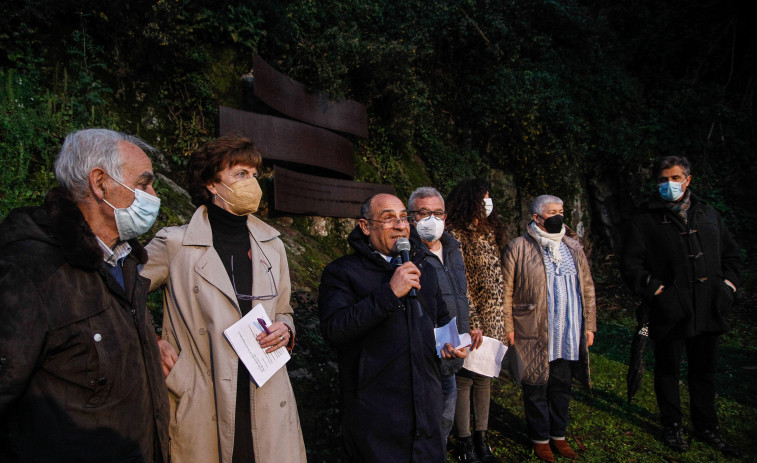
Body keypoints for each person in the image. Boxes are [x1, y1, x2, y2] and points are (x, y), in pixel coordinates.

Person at [0, 129, 169, 462]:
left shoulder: (125, 259)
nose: (154, 196)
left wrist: (145, 341)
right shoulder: (31, 270)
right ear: (100, 183)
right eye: (144, 184)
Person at [140, 135, 306, 463]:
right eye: (240, 174)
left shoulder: (273, 245)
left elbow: (284, 309)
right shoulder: (175, 244)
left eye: (254, 175)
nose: (252, 183)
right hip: (202, 392)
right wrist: (151, 339)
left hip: (265, 389)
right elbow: (119, 290)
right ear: (212, 183)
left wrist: (286, 329)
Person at [318, 193, 466, 462]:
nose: (400, 226)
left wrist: (450, 345)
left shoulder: (424, 269)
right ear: (365, 226)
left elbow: (440, 322)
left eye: (403, 218)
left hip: (426, 410)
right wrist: (389, 292)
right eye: (388, 219)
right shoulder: (342, 272)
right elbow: (335, 330)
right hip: (377, 416)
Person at [620, 156, 741, 456]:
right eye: (662, 179)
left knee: (704, 372)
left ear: (687, 180)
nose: (668, 184)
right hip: (670, 309)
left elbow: (732, 255)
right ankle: (672, 425)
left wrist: (728, 287)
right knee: (668, 370)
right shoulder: (644, 218)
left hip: (710, 306)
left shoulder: (708, 214)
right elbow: (631, 264)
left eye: (674, 178)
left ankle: (706, 426)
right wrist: (658, 291)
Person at [502, 195, 596, 462]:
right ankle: (540, 438)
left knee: (561, 384)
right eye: (552, 212)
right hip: (532, 329)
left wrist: (590, 325)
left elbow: (587, 288)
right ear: (536, 218)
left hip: (567, 331)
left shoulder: (574, 247)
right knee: (535, 386)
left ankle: (559, 435)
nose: (558, 216)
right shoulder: (518, 247)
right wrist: (508, 326)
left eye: (561, 211)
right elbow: (506, 289)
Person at [408, 187, 484, 449]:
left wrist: (469, 327)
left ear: (446, 216)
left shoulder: (454, 248)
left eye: (437, 213)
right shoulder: (406, 254)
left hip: (453, 356)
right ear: (410, 218)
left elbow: (461, 295)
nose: (432, 219)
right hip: (424, 359)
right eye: (424, 213)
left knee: (443, 424)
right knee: (420, 427)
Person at [445, 179, 507, 463]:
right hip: (471, 319)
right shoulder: (455, 234)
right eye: (483, 198)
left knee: (484, 379)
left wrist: (502, 319)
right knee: (464, 379)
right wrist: (472, 319)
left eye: (489, 197)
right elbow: (461, 282)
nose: (487, 202)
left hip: (494, 320)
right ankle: (464, 440)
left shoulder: (490, 232)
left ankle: (482, 436)